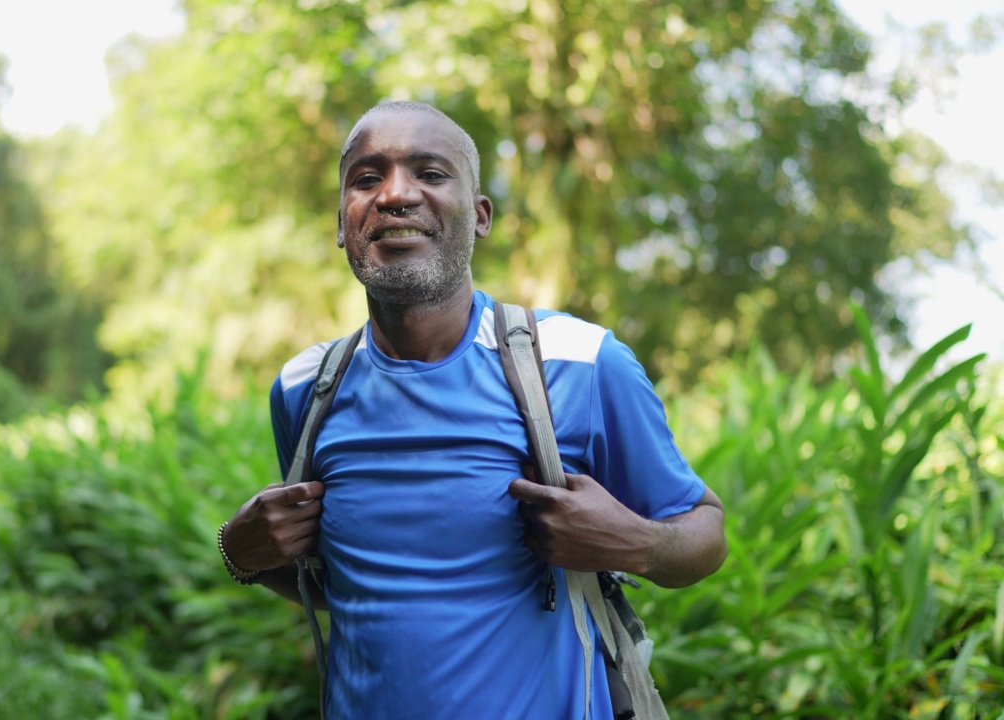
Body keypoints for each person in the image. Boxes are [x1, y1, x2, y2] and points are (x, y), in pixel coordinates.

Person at [218, 101, 727, 719]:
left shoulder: (579, 363)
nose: (396, 195)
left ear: (480, 216)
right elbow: (346, 589)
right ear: (342, 220)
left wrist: (637, 544)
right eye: (367, 178)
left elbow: (706, 532)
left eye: (431, 174)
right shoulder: (307, 387)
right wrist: (241, 553)